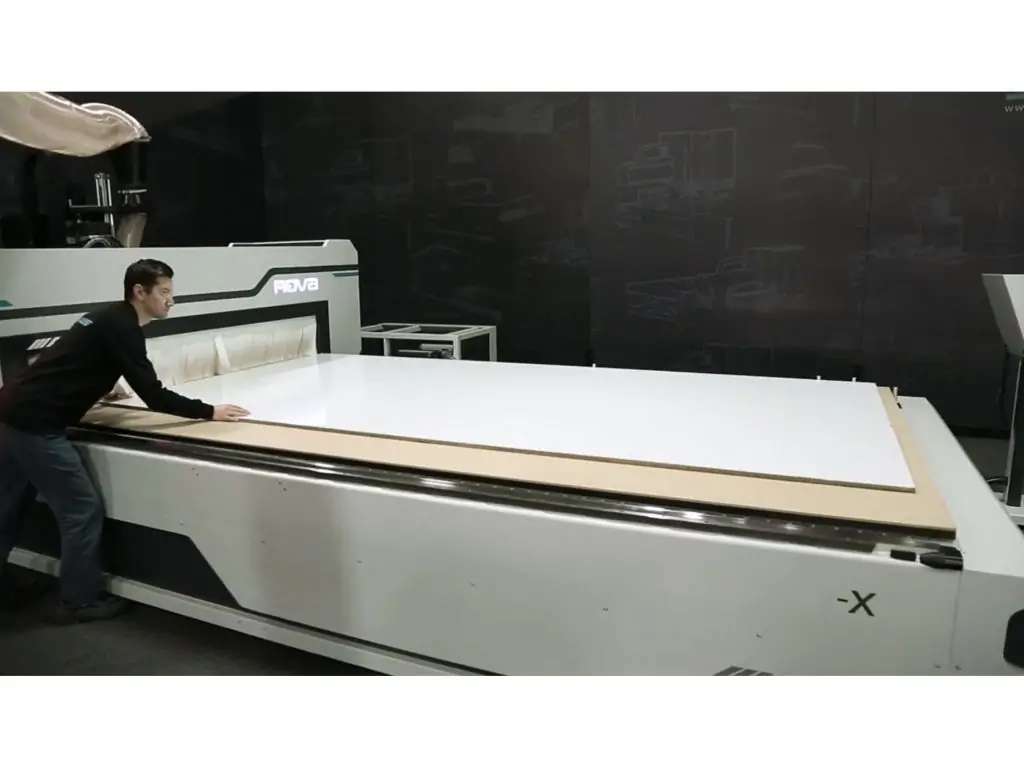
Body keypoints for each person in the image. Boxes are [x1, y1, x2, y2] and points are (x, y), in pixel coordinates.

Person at [0, 258, 249, 622]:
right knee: (81, 510)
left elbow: (72, 361)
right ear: (139, 292)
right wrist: (209, 411)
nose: (171, 300)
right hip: (36, 423)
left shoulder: (107, 316)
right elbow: (153, 394)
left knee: (9, 503)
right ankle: (78, 600)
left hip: (12, 409)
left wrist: (101, 387)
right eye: (164, 292)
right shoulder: (124, 328)